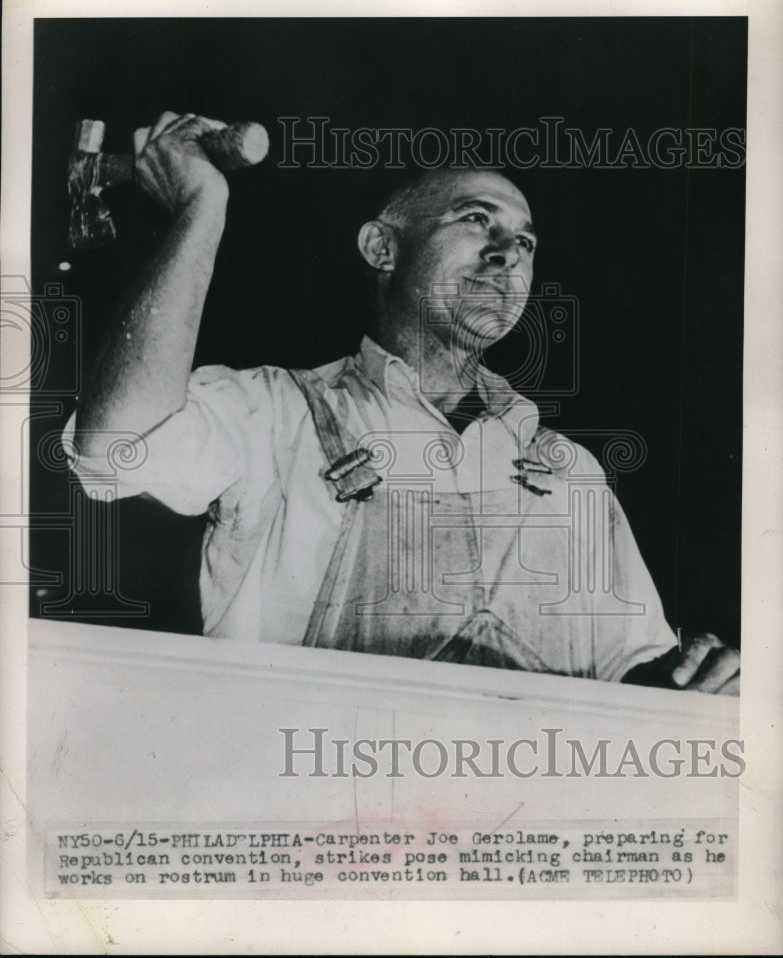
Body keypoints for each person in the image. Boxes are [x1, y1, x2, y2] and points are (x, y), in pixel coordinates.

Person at [64, 111, 740, 694]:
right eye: (475, 220)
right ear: (381, 247)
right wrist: (199, 206)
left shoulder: (567, 473)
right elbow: (114, 446)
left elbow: (632, 678)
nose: (509, 253)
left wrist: (687, 683)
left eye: (526, 241)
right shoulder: (275, 414)